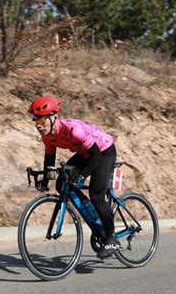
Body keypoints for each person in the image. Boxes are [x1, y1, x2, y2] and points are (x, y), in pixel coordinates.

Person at [28, 96, 120, 259]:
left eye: (42, 121)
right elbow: (49, 161)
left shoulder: (74, 130)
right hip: (85, 153)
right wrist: (45, 181)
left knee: (97, 194)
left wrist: (81, 177)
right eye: (36, 122)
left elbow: (96, 156)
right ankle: (94, 217)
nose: (39, 126)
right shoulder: (47, 136)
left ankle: (111, 238)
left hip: (103, 151)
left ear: (54, 117)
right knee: (62, 183)